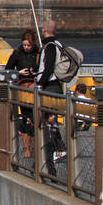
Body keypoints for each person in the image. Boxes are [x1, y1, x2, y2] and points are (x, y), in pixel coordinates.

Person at [35, 19, 66, 174]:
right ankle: (48, 160)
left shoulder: (50, 46)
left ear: (44, 30)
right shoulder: (60, 45)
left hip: (50, 87)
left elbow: (48, 68)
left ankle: (58, 150)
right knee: (49, 123)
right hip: (57, 86)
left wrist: (39, 83)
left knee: (47, 123)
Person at [5, 29, 39, 157]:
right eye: (25, 45)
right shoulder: (17, 53)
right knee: (25, 117)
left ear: (33, 44)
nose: (26, 48)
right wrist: (18, 73)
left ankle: (35, 146)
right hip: (22, 87)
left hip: (34, 87)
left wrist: (35, 73)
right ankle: (26, 149)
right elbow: (7, 69)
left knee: (35, 117)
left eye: (29, 45)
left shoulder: (38, 53)